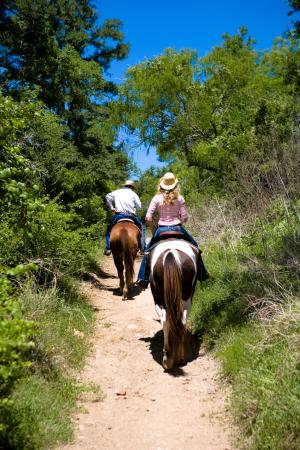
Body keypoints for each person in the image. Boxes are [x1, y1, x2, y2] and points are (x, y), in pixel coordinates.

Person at [137, 172, 209, 288]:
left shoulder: (156, 198)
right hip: (178, 228)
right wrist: (180, 218)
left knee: (147, 251)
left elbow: (148, 217)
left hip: (161, 230)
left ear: (161, 185)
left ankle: (143, 278)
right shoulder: (180, 199)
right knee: (195, 247)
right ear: (175, 185)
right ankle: (202, 273)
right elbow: (184, 218)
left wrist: (153, 228)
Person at [104, 180, 145, 256]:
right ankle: (142, 248)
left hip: (119, 215)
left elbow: (107, 196)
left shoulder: (117, 192)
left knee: (109, 230)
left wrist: (111, 207)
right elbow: (139, 207)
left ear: (125, 185)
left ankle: (108, 248)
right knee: (142, 228)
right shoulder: (134, 194)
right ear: (132, 187)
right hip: (131, 216)